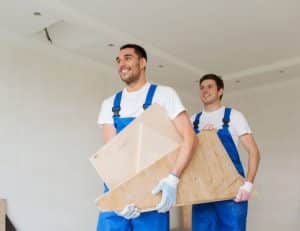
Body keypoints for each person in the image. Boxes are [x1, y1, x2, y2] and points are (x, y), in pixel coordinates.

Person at [96, 44, 196, 231]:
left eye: (127, 58)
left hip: (152, 191)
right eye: (118, 60)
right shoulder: (109, 104)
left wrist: (173, 178)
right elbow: (111, 155)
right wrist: (118, 198)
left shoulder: (164, 95)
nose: (121, 64)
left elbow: (190, 138)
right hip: (118, 192)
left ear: (143, 63)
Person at [191, 74, 260, 231]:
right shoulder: (193, 120)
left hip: (231, 191)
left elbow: (254, 152)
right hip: (202, 191)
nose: (204, 90)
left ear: (220, 91)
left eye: (209, 87)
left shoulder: (233, 116)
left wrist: (248, 184)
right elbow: (184, 153)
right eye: (201, 87)